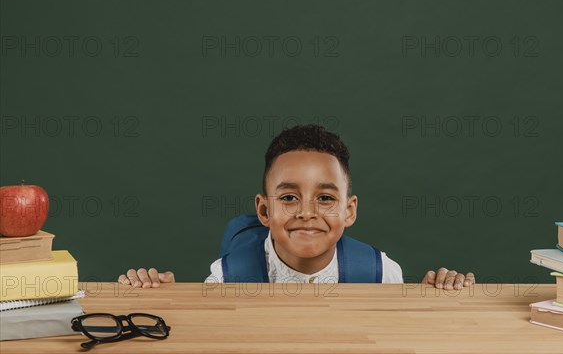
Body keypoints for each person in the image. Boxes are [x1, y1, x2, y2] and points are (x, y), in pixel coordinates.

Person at [118, 124, 475, 289]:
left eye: (325, 198)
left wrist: (441, 295)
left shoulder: (383, 274)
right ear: (264, 211)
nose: (307, 212)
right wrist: (159, 298)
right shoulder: (226, 278)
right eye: (289, 198)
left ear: (349, 211)